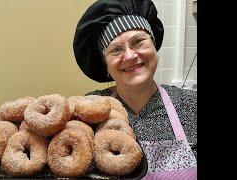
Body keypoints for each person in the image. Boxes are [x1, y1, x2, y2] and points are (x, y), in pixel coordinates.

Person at [73, 0, 197, 179]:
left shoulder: (190, 105)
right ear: (106, 66)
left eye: (138, 42)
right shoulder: (91, 110)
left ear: (154, 46)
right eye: (116, 50)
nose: (130, 55)